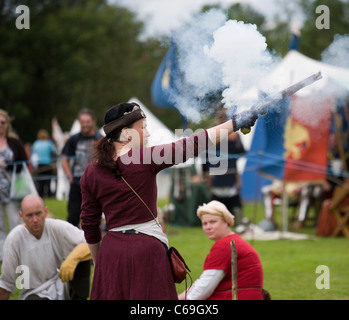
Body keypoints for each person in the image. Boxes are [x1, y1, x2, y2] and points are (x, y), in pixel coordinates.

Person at [80, 101, 258, 300]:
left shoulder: (90, 172)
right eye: (143, 128)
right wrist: (234, 123)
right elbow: (191, 145)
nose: (147, 133)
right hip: (146, 251)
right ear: (126, 132)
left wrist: (100, 262)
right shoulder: (144, 158)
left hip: (111, 254)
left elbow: (89, 224)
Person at [0, 194, 91, 300]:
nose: (34, 220)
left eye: (38, 213)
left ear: (46, 211)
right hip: (33, 294)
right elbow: (6, 284)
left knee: (82, 258)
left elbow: (90, 242)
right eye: (29, 215)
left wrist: (72, 260)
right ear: (21, 216)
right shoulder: (14, 239)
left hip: (62, 285)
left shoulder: (56, 227)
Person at [178, 200, 265, 300]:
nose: (208, 227)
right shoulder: (233, 241)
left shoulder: (225, 245)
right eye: (204, 223)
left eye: (213, 222)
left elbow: (205, 287)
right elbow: (202, 282)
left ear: (226, 222)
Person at [203, 109, 246, 225]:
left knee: (221, 201)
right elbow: (241, 152)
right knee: (223, 201)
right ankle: (229, 221)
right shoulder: (233, 135)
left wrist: (205, 173)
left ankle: (225, 221)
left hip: (222, 173)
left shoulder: (211, 134)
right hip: (222, 173)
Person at [61, 108, 102, 226]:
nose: (85, 125)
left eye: (87, 122)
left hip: (96, 184)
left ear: (94, 121)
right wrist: (69, 176)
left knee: (95, 217)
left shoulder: (100, 139)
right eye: (82, 122)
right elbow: (64, 158)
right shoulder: (73, 139)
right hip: (77, 184)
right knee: (73, 216)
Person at [0, 109, 28, 262]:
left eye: (2, 122)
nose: (0, 126)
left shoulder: (14, 142)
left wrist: (7, 165)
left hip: (12, 190)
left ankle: (18, 253)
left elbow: (24, 163)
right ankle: (4, 257)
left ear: (7, 124)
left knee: (15, 222)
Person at [31, 129, 57, 197]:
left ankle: (40, 195)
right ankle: (48, 195)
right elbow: (54, 152)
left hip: (39, 165)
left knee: (40, 182)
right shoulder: (49, 143)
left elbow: (33, 154)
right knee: (48, 181)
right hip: (48, 164)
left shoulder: (36, 143)